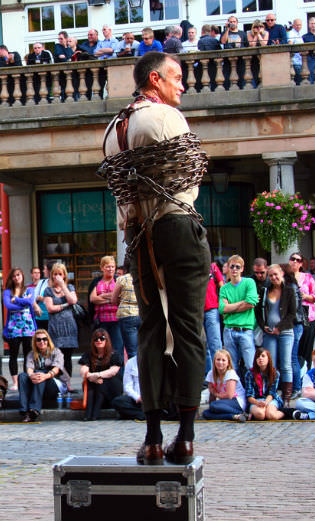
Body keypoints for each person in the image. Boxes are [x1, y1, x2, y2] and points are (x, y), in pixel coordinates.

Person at [100, 52, 210, 466]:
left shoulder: (114, 128)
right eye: (176, 77)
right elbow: (191, 173)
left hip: (136, 233)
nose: (182, 85)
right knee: (187, 328)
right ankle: (185, 436)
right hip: (176, 225)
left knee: (150, 330)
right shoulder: (164, 118)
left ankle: (150, 438)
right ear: (154, 79)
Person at [257, 264, 296, 406]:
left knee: (286, 364)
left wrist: (279, 328)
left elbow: (292, 314)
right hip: (269, 333)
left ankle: (286, 398)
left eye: (276, 274)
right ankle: (270, 394)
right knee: (269, 365)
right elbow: (258, 312)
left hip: (285, 332)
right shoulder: (264, 291)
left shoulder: (289, 291)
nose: (274, 277)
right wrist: (264, 326)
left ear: (282, 274)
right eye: (271, 275)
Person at [17, 329, 68, 423]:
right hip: (38, 383)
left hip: (54, 383)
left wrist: (45, 376)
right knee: (22, 376)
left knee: (40, 373)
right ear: (35, 342)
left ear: (48, 340)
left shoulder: (56, 352)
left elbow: (56, 369)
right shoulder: (31, 354)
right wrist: (32, 375)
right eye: (38, 340)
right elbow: (29, 369)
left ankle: (34, 410)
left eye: (44, 339)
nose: (42, 342)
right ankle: (24, 410)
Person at [288, 252, 315, 397]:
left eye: (298, 260)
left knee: (307, 350)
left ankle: (307, 380)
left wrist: (306, 297)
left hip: (308, 315)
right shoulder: (286, 278)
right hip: (292, 317)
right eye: (292, 259)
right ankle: (296, 381)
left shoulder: (307, 278)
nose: (295, 262)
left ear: (301, 263)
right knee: (294, 351)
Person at [219, 255, 259, 373]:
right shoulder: (224, 288)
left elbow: (251, 303)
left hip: (245, 330)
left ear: (242, 269)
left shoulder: (249, 282)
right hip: (229, 330)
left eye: (238, 266)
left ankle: (253, 391)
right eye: (232, 266)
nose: (234, 269)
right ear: (228, 268)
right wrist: (242, 302)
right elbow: (222, 309)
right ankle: (235, 391)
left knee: (250, 364)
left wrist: (230, 307)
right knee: (231, 367)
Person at [43, 262, 78, 378]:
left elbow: (73, 300)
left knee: (67, 357)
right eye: (55, 274)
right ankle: (58, 382)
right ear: (52, 275)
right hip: (55, 327)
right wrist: (64, 305)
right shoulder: (48, 291)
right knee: (57, 356)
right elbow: (50, 308)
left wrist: (63, 286)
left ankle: (68, 383)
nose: (57, 276)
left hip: (69, 327)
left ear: (64, 275)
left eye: (60, 274)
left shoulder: (70, 287)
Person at [3, 267, 36, 391]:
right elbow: (9, 306)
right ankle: (15, 382)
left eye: (19, 275)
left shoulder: (29, 289)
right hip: (13, 327)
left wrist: (16, 299)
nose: (17, 278)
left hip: (27, 326)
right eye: (14, 276)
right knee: (13, 355)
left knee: (28, 354)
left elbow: (30, 302)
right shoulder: (7, 292)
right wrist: (23, 302)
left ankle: (26, 379)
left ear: (22, 276)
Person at [79, 329, 122, 421]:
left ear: (107, 340)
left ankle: (93, 413)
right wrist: (91, 377)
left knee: (102, 382)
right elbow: (83, 371)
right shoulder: (88, 355)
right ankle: (90, 412)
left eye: (102, 338)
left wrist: (97, 375)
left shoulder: (115, 354)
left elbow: (113, 371)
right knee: (93, 382)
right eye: (96, 339)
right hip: (95, 389)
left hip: (111, 391)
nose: (99, 341)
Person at [90, 255, 123, 362]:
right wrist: (111, 298)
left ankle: (118, 373)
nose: (110, 269)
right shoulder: (97, 282)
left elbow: (120, 299)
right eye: (108, 266)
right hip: (101, 321)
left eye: (113, 267)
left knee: (117, 348)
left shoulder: (119, 281)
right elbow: (93, 299)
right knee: (102, 349)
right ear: (102, 268)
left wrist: (103, 296)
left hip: (116, 320)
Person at [202, 349, 247, 422]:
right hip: (224, 402)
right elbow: (212, 395)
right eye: (218, 360)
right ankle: (234, 416)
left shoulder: (230, 373)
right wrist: (212, 407)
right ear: (214, 361)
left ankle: (241, 412)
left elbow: (229, 395)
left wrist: (216, 395)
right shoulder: (211, 373)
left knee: (214, 405)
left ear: (228, 363)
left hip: (236, 401)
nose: (220, 362)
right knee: (206, 413)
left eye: (223, 360)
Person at [244, 348, 283, 421]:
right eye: (258, 357)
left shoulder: (275, 373)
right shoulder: (250, 374)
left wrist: (266, 402)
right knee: (260, 415)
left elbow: (272, 393)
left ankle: (285, 413)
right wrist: (257, 402)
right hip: (255, 400)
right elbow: (249, 395)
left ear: (268, 358)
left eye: (263, 356)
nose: (260, 358)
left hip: (270, 399)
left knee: (271, 415)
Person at [203, 261, 225, 379]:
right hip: (197, 310)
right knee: (203, 345)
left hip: (212, 308)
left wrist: (223, 303)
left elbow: (222, 286)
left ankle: (220, 374)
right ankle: (209, 376)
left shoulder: (212, 267)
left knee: (215, 343)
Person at [113, 264, 140, 360]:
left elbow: (113, 299)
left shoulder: (122, 279)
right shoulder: (143, 277)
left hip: (126, 315)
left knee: (132, 350)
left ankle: (135, 373)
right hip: (141, 314)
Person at [111, 355, 144, 420]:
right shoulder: (131, 362)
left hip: (154, 400)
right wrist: (137, 397)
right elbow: (127, 386)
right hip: (137, 399)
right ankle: (143, 415)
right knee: (117, 401)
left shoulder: (156, 362)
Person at [31, 264, 50, 332]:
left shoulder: (58, 284)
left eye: (45, 269)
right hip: (40, 316)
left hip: (52, 318)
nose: (43, 271)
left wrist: (43, 299)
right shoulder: (42, 282)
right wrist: (35, 305)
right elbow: (33, 297)